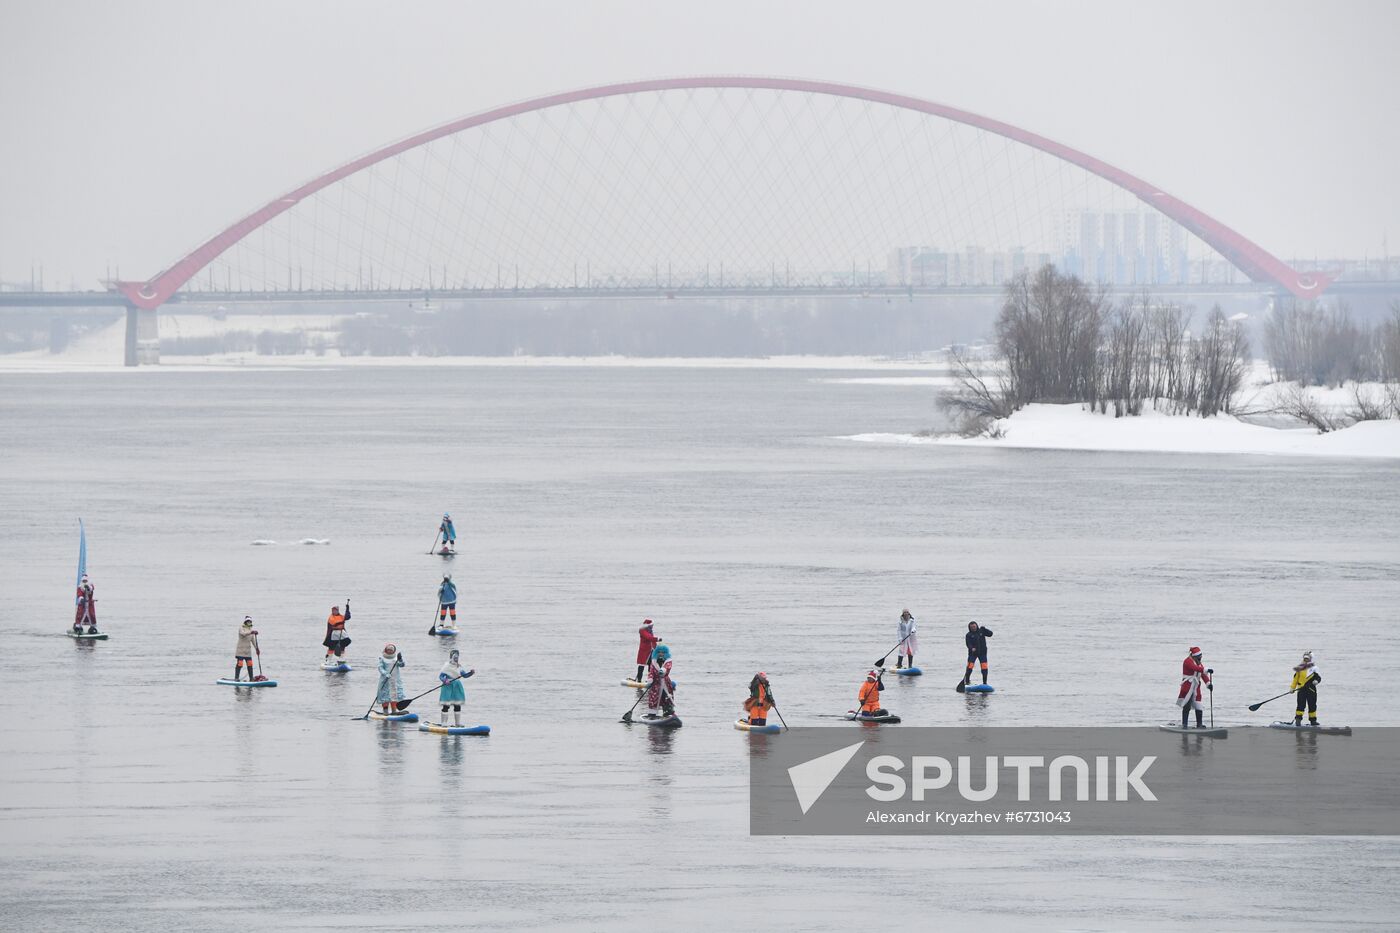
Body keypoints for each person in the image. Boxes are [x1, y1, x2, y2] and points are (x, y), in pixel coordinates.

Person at [437, 648, 476, 726]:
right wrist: (445, 680)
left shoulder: (459, 666)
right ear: (451, 657)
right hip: (447, 686)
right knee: (446, 705)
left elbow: (464, 675)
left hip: (457, 686)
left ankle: (457, 723)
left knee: (457, 705)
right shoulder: (446, 666)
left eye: (457, 657)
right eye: (455, 657)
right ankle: (444, 723)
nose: (456, 659)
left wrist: (470, 673)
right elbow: (441, 676)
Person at [1176, 646, 1212, 728]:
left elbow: (1202, 674)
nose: (1200, 659)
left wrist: (1208, 683)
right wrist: (1206, 670)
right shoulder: (1187, 661)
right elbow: (1195, 668)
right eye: (1199, 657)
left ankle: (1199, 724)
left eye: (1200, 657)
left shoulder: (1198, 663)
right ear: (1194, 656)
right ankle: (1184, 724)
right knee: (1187, 705)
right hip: (1188, 686)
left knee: (1198, 705)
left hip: (1196, 687)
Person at [644, 644, 676, 719]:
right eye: (659, 652)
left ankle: (668, 712)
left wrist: (663, 671)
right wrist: (650, 679)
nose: (661, 653)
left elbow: (667, 668)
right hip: (656, 683)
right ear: (656, 652)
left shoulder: (668, 661)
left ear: (665, 653)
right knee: (654, 697)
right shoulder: (653, 662)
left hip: (665, 683)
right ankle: (652, 713)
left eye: (662, 652)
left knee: (666, 697)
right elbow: (651, 672)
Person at [1291, 651, 1322, 726]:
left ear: (1311, 659)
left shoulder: (1315, 668)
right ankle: (1298, 720)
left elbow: (1319, 677)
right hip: (1301, 690)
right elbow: (1295, 679)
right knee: (1300, 705)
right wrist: (1292, 688)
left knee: (1312, 705)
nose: (1306, 660)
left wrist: (1316, 681)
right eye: (1305, 658)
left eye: (1307, 659)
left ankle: (1313, 721)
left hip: (1311, 690)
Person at [377, 644, 406, 715]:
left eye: (391, 650)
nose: (390, 651)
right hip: (386, 680)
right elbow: (380, 668)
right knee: (385, 695)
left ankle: (394, 710)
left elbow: (401, 665)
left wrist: (401, 660)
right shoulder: (382, 658)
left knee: (394, 695)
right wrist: (385, 673)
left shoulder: (396, 658)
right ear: (386, 650)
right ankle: (385, 710)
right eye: (388, 650)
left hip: (395, 680)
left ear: (393, 651)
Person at [963, 621, 994, 686]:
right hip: (972, 654)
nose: (973, 628)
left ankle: (985, 683)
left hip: (982, 653)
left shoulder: (981, 631)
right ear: (969, 628)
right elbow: (968, 644)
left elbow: (990, 634)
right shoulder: (968, 635)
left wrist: (985, 629)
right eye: (972, 627)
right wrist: (971, 648)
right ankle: (967, 681)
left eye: (974, 626)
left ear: (976, 626)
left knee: (984, 668)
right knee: (969, 667)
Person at [234, 617, 258, 681]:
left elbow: (253, 641)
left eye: (250, 621)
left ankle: (251, 679)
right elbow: (243, 634)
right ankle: (236, 678)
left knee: (250, 664)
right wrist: (251, 632)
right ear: (245, 622)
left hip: (248, 652)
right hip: (240, 651)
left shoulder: (251, 630)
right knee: (240, 664)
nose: (249, 622)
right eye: (248, 621)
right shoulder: (241, 628)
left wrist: (257, 649)